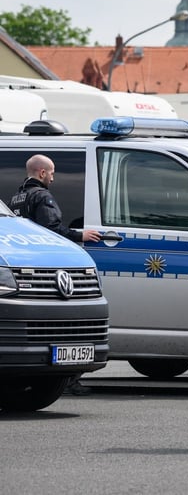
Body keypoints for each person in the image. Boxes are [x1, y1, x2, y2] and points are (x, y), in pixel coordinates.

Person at [11, 154, 102, 395]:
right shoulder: (42, 195)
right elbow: (49, 230)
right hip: (46, 266)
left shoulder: (16, 197)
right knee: (67, 325)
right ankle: (70, 379)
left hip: (22, 267)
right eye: (51, 173)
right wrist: (79, 235)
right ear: (41, 173)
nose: (53, 177)